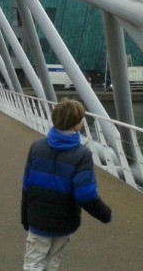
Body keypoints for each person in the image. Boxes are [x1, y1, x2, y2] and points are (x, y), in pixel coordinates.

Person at [21, 99, 112, 270]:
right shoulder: (81, 154)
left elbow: (27, 187)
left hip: (38, 220)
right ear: (77, 125)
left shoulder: (37, 147)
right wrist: (105, 214)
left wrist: (26, 218)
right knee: (52, 261)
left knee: (33, 263)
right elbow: (86, 195)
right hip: (64, 221)